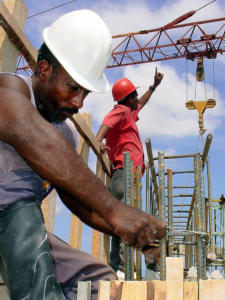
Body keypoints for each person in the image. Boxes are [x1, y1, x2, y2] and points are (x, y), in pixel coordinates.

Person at [0, 9, 166, 300]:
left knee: (99, 284)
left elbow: (77, 199)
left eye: (85, 93)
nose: (78, 102)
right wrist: (117, 211)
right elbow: (27, 131)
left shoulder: (63, 134)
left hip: (21, 228)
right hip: (12, 219)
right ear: (42, 70)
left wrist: (131, 232)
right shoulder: (9, 90)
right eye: (73, 87)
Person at [96, 69, 164, 274]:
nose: (137, 98)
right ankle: (122, 267)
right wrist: (98, 140)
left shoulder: (129, 114)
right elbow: (107, 121)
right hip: (124, 172)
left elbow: (142, 103)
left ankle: (121, 266)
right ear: (126, 99)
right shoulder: (121, 111)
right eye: (134, 95)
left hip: (130, 174)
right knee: (125, 217)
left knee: (124, 216)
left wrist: (153, 86)